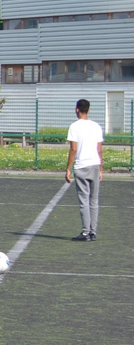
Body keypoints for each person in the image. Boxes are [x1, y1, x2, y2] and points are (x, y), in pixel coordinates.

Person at [65, 98, 103, 242]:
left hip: (81, 166)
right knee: (94, 200)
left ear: (77, 109)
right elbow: (99, 149)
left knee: (83, 200)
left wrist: (68, 168)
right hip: (94, 165)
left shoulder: (74, 126)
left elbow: (73, 149)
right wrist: (101, 168)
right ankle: (93, 232)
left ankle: (85, 232)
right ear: (89, 109)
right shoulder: (96, 126)